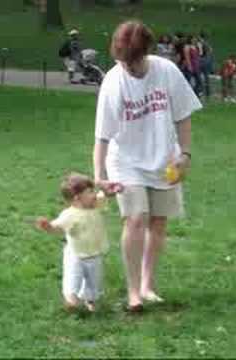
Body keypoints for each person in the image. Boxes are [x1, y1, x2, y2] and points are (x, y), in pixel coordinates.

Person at [93, 20, 202, 312]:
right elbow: (102, 137)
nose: (127, 67)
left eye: (132, 60)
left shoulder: (166, 71)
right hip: (126, 161)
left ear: (146, 52)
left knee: (158, 222)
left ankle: (147, 285)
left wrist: (186, 155)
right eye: (122, 61)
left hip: (165, 159)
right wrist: (99, 177)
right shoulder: (114, 82)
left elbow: (183, 117)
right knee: (136, 218)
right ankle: (133, 293)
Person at [35, 172, 120, 312]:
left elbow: (104, 196)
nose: (94, 194)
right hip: (76, 255)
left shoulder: (95, 205)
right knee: (73, 277)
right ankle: (71, 301)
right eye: (90, 192)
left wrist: (113, 191)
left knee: (94, 282)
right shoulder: (69, 215)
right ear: (77, 198)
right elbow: (58, 227)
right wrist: (48, 226)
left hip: (94, 253)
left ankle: (91, 301)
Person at [197, 31, 214, 99]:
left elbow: (207, 51)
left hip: (201, 60)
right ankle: (206, 93)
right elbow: (210, 51)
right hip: (205, 60)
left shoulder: (200, 43)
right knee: (206, 77)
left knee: (200, 77)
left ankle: (202, 92)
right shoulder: (206, 44)